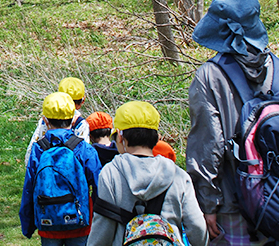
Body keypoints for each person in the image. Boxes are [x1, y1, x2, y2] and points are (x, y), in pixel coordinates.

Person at [186, 0, 274, 245]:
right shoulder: (277, 68)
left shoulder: (209, 76)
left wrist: (208, 204)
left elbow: (208, 144)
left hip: (233, 202)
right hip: (276, 198)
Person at [88, 101, 208, 246]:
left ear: (120, 137)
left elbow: (103, 227)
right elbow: (197, 227)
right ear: (157, 138)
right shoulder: (178, 175)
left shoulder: (110, 173)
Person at [20, 92, 101, 245]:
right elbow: (99, 185)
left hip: (48, 222)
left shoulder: (38, 150)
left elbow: (29, 188)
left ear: (45, 120)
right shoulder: (84, 149)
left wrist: (28, 223)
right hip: (79, 222)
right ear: (74, 118)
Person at [25, 77, 90, 165]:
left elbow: (31, 152)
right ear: (82, 101)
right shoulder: (81, 125)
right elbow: (85, 156)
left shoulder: (46, 120)